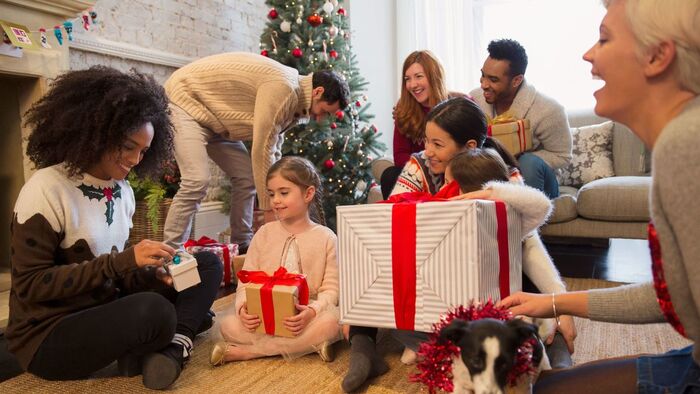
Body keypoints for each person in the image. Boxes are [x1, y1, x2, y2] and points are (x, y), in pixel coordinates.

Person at [499, 1, 700, 393]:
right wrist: (555, 303)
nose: (588, 54)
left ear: (658, 56)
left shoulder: (685, 144)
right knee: (547, 385)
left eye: (604, 38)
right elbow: (676, 296)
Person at [5, 66, 223, 390]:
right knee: (157, 312)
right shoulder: (45, 189)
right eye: (127, 146)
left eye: (144, 151)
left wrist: (150, 273)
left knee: (206, 263)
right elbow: (33, 285)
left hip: (103, 307)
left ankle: (175, 343)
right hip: (49, 334)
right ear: (97, 130)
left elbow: (116, 277)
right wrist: (125, 262)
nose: (136, 159)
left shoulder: (123, 191)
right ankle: (176, 331)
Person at [342, 97, 575, 392]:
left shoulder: (494, 171)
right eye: (426, 140)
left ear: (468, 146)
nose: (428, 151)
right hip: (435, 270)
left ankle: (549, 347)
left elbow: (529, 239)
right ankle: (363, 346)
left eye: (438, 144)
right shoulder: (420, 165)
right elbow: (390, 228)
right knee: (386, 265)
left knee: (519, 268)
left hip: (488, 276)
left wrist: (560, 303)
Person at [163, 52, 350, 252]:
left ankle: (242, 246)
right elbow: (263, 147)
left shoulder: (296, 104)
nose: (321, 118)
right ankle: (169, 253)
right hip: (184, 101)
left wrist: (274, 192)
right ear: (317, 92)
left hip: (214, 120)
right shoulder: (284, 88)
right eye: (325, 110)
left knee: (247, 177)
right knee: (197, 180)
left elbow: (274, 151)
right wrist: (269, 207)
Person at [210, 156, 341, 365]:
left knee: (332, 324)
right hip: (264, 314)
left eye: (284, 193)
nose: (275, 201)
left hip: (304, 316)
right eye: (271, 194)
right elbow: (247, 278)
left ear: (308, 194)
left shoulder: (326, 237)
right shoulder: (264, 233)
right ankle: (306, 346)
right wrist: (243, 308)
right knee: (228, 325)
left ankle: (251, 352)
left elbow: (332, 289)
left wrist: (311, 312)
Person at [470, 39, 572, 199]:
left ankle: (526, 221)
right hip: (493, 175)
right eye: (483, 75)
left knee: (528, 163)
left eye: (493, 79)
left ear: (516, 80)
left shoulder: (549, 110)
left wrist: (515, 159)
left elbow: (563, 155)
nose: (484, 84)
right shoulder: (475, 98)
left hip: (536, 179)